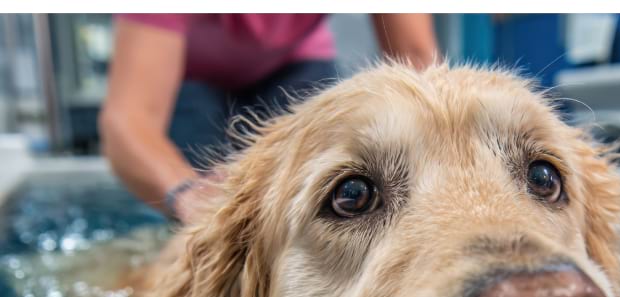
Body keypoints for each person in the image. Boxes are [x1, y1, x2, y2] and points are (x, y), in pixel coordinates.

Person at [99, 14, 439, 224]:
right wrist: (187, 193)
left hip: (295, 58)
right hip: (187, 71)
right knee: (196, 218)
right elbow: (127, 120)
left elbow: (416, 60)